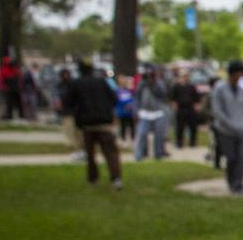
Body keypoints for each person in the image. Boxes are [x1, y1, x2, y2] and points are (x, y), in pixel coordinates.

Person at [68, 61, 121, 189]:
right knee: (110, 152)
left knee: (90, 153)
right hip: (104, 122)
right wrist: (107, 111)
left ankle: (93, 179)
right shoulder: (102, 82)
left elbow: (70, 101)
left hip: (87, 124)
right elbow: (114, 98)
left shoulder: (77, 84)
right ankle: (116, 178)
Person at [211, 60, 243, 195]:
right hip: (225, 130)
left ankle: (238, 184)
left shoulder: (241, 90)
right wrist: (230, 124)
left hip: (242, 129)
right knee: (232, 157)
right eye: (240, 72)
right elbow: (217, 111)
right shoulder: (220, 89)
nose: (242, 75)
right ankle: (232, 182)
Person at [134, 65, 170, 161]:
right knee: (142, 133)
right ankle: (139, 155)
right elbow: (137, 98)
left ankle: (158, 154)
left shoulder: (159, 84)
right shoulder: (141, 84)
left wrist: (153, 85)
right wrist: (136, 110)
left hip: (158, 112)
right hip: (145, 113)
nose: (149, 78)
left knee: (159, 135)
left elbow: (163, 95)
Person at [171, 70, 200, 148]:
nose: (185, 78)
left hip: (190, 108)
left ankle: (192, 142)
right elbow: (173, 98)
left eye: (186, 76)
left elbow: (196, 98)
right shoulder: (176, 87)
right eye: (183, 76)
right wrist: (174, 106)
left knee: (193, 126)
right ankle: (179, 142)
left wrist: (196, 106)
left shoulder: (191, 87)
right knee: (180, 127)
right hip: (181, 108)